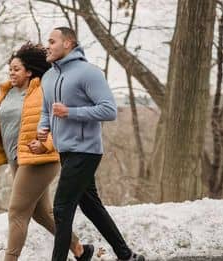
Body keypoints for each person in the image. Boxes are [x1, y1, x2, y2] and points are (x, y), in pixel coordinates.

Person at [0, 42, 93, 261]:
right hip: (17, 159)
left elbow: (61, 124)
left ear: (29, 71)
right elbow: (6, 124)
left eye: (16, 69)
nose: (11, 73)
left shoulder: (43, 91)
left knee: (17, 211)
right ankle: (79, 249)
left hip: (41, 158)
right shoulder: (7, 93)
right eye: (10, 69)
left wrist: (45, 144)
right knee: (40, 213)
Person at [37, 27, 145, 261]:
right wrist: (42, 130)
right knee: (91, 206)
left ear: (68, 43)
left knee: (62, 208)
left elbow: (109, 110)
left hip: (85, 150)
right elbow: (46, 111)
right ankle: (126, 255)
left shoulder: (89, 73)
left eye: (52, 41)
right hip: (64, 150)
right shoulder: (48, 77)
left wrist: (70, 112)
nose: (48, 45)